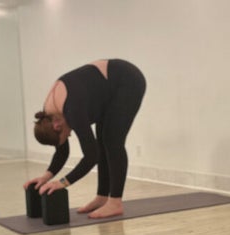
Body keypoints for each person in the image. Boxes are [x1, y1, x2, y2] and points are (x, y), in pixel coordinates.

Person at [23, 59, 146, 218]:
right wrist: (45, 178)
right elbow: (62, 152)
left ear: (57, 127)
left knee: (112, 140)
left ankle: (115, 203)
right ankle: (102, 197)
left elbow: (91, 156)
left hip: (127, 80)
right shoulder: (50, 116)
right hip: (107, 91)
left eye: (66, 135)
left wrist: (63, 183)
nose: (69, 134)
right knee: (102, 141)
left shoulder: (71, 109)